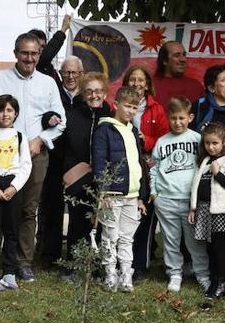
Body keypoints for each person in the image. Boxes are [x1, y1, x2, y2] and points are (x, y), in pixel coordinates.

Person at [0, 32, 66, 282]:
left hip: (35, 154)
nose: (29, 58)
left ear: (40, 54)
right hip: (1, 155)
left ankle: (22, 262)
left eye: (34, 53)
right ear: (15, 53)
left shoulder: (48, 83)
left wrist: (42, 139)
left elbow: (61, 120)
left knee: (28, 210)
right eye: (24, 53)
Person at [92, 86, 150, 292]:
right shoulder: (104, 129)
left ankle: (126, 275)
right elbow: (99, 161)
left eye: (135, 107)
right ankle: (109, 274)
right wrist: (103, 189)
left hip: (132, 195)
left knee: (127, 237)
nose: (131, 111)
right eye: (127, 106)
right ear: (116, 105)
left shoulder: (133, 130)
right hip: (112, 194)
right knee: (110, 235)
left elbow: (138, 164)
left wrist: (142, 196)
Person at [152, 97, 209, 293]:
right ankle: (174, 273)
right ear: (168, 118)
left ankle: (202, 274)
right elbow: (154, 168)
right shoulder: (162, 142)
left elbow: (206, 165)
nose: (178, 122)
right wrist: (154, 193)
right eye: (174, 118)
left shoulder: (197, 139)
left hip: (189, 201)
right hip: (166, 199)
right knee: (171, 240)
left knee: (195, 242)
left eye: (182, 118)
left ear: (190, 117)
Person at [62, 73, 113, 279]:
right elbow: (63, 145)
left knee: (102, 223)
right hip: (78, 175)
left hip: (104, 176)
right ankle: (74, 266)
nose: (94, 95)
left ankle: (100, 267)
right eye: (89, 91)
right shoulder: (72, 115)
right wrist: (69, 173)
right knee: (78, 222)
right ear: (83, 94)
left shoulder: (111, 116)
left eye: (98, 91)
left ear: (105, 93)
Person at [37, 54, 85, 268]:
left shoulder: (88, 96)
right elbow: (42, 117)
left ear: (81, 74)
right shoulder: (52, 93)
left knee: (78, 211)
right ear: (61, 73)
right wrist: (47, 118)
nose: (70, 76)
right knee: (52, 208)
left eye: (75, 72)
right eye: (66, 72)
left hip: (80, 162)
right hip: (54, 159)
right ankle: (51, 256)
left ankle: (76, 257)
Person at [0, 95, 32, 291]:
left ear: (16, 113)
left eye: (10, 110)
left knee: (12, 231)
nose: (5, 114)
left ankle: (9, 272)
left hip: (13, 186)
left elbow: (26, 166)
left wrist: (14, 187)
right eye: (2, 110)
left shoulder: (20, 136)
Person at [123, 65, 168, 279]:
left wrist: (146, 141)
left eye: (141, 80)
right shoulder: (119, 108)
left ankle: (141, 265)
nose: (137, 84)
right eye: (133, 80)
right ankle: (122, 263)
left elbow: (166, 139)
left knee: (145, 219)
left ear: (148, 85)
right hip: (126, 168)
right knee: (125, 219)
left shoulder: (157, 109)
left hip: (149, 167)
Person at [189, 121, 225, 304]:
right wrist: (193, 207)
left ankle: (222, 283)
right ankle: (214, 279)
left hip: (221, 211)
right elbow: (196, 184)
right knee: (209, 247)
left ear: (224, 142)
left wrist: (218, 174)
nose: (210, 147)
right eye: (207, 143)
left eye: (214, 143)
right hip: (204, 208)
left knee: (220, 248)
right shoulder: (204, 160)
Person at [152, 41, 202, 106]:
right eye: (177, 55)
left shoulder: (195, 86)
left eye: (184, 55)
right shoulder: (151, 86)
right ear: (164, 60)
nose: (183, 59)